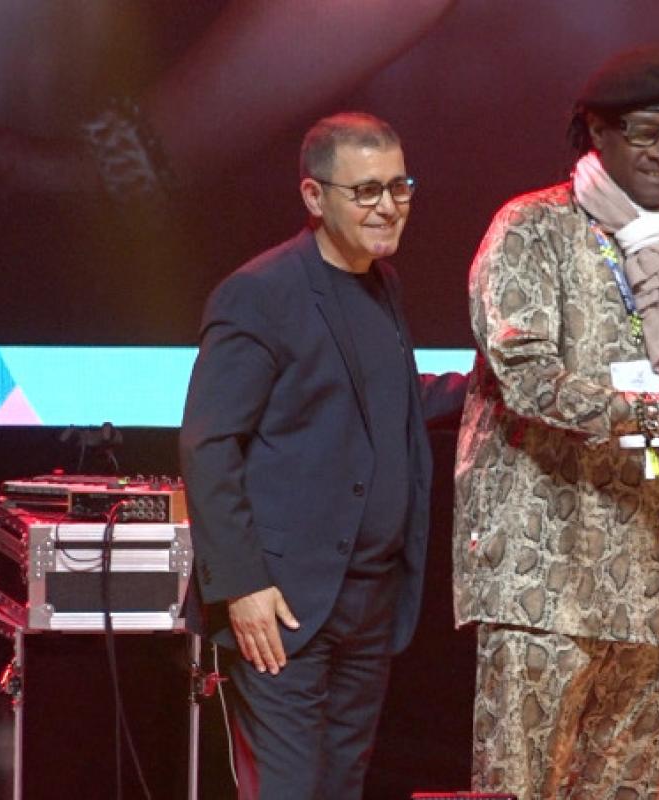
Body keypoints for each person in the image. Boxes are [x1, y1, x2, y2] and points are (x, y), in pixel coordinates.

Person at [452, 45, 659, 800]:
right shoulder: (533, 229)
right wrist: (655, 413)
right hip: (544, 581)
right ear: (597, 134)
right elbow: (527, 379)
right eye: (646, 134)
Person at [179, 111, 466, 799]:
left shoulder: (382, 284)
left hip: (368, 604)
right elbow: (208, 443)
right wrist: (242, 585)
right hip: (282, 607)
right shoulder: (260, 294)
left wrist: (490, 383)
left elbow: (393, 397)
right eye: (366, 190)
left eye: (399, 186)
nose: (388, 206)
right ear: (314, 195)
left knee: (341, 786)